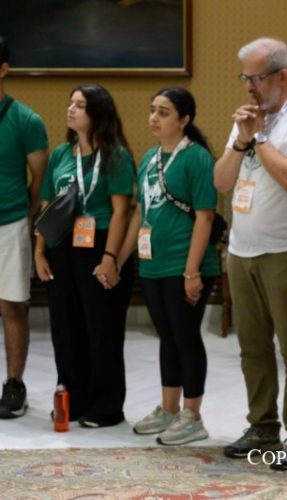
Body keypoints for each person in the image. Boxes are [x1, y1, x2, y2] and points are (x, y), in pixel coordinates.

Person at [214, 37, 287, 469]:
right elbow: (222, 181)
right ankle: (262, 426)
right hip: (242, 251)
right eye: (244, 78)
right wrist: (241, 141)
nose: (249, 87)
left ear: (282, 76)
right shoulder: (247, 121)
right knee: (252, 348)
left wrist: (259, 136)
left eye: (257, 78)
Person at [117, 87, 219, 445]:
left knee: (185, 337)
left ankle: (192, 415)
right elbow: (140, 214)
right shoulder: (149, 158)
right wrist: (119, 259)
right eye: (152, 110)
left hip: (184, 264)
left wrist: (192, 271)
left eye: (164, 112)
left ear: (184, 119)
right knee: (167, 337)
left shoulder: (197, 158)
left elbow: (205, 216)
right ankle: (169, 408)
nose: (154, 118)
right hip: (153, 264)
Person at [34, 83, 135, 428]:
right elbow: (47, 206)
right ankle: (72, 399)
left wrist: (110, 257)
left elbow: (121, 212)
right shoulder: (62, 154)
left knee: (101, 327)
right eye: (71, 103)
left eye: (80, 105)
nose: (71, 109)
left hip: (100, 242)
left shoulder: (116, 155)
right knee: (65, 327)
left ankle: (106, 406)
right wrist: (39, 251)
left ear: (97, 113)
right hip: (62, 244)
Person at [0, 35, 48, 419]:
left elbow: (39, 180)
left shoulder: (27, 121)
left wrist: (25, 214)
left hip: (9, 221)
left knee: (12, 306)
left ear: (3, 70)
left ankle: (14, 384)